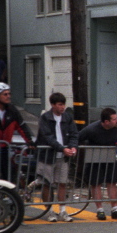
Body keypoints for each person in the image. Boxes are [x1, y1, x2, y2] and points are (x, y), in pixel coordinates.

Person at [35, 93, 79, 222]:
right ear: (53, 105)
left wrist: (72, 147)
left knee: (62, 183)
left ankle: (63, 211)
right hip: (47, 156)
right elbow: (48, 137)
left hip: (62, 157)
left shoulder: (68, 117)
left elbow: (74, 134)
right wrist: (62, 148)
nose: (62, 107)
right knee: (47, 184)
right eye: (60, 104)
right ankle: (49, 211)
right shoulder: (45, 118)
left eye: (63, 104)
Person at [78, 107, 117, 220]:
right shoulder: (91, 129)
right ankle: (100, 209)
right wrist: (83, 149)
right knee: (96, 183)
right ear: (106, 122)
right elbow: (77, 138)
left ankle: (115, 209)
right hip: (94, 155)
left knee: (112, 181)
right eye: (114, 119)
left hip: (109, 154)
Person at [0, 82, 34, 181]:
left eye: (9, 94)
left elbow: (22, 127)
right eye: (5, 94)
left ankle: (8, 195)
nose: (8, 96)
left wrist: (29, 142)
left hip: (5, 148)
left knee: (8, 175)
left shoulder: (12, 110)